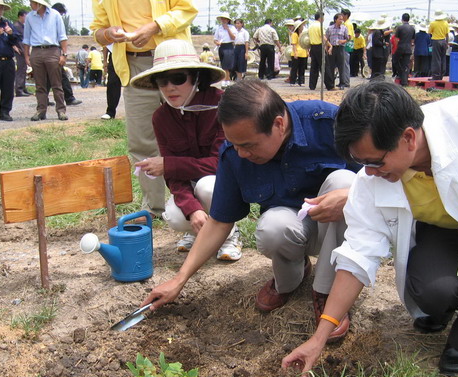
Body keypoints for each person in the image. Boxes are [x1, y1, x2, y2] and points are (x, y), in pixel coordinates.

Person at [282, 81, 458, 377]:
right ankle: (448, 305)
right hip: (443, 231)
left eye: (375, 162)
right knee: (434, 294)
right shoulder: (370, 181)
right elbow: (358, 256)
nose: (369, 172)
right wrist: (319, 337)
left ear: (409, 138)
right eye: (361, 163)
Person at [141, 79, 360, 341]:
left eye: (249, 145)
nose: (242, 153)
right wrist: (179, 279)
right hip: (295, 227)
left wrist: (350, 196)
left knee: (345, 182)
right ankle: (291, 278)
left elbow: (379, 175)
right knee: (272, 228)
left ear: (278, 124)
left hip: (340, 229)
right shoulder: (234, 154)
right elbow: (219, 222)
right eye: (235, 144)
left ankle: (328, 291)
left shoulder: (328, 124)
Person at [130, 39, 242, 260]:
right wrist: (192, 209)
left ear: (196, 77)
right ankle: (197, 231)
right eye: (162, 81)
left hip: (224, 182)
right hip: (190, 184)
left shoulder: (222, 105)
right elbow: (174, 177)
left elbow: (220, 164)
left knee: (208, 186)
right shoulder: (161, 117)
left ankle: (230, 234)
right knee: (174, 215)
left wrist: (168, 164)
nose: (170, 87)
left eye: (178, 78)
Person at [90, 0, 197, 218]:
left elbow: (187, 9)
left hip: (175, 58)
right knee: (141, 140)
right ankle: (153, 207)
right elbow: (98, 31)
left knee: (193, 134)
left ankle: (200, 201)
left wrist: (154, 27)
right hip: (133, 64)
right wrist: (108, 33)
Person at [23, 0, 69, 121]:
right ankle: (41, 110)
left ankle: (61, 110)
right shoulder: (29, 17)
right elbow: (26, 38)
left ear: (39, 4)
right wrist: (27, 56)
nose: (30, 5)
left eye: (32, 2)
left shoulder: (55, 15)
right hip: (36, 51)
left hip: (52, 50)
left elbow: (62, 36)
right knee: (40, 84)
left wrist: (64, 54)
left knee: (56, 83)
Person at [49, 2, 81, 106]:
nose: (61, 16)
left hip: (52, 52)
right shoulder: (53, 22)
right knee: (61, 76)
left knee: (49, 76)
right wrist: (63, 54)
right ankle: (69, 98)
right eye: (61, 14)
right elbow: (61, 39)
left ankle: (44, 100)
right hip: (53, 52)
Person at [324, 13, 349, 90]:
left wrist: (343, 41)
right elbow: (326, 38)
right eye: (340, 19)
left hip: (340, 48)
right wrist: (327, 48)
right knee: (331, 66)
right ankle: (331, 84)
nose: (341, 21)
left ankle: (342, 83)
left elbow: (347, 38)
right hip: (332, 48)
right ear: (335, 20)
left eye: (342, 19)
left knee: (341, 66)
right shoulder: (330, 28)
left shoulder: (344, 28)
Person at [213, 14, 236, 87]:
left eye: (224, 19)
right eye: (222, 19)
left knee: (227, 64)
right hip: (221, 46)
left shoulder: (232, 28)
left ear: (228, 20)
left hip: (229, 46)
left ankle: (226, 80)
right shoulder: (219, 28)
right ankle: (226, 79)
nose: (223, 20)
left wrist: (227, 29)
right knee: (223, 63)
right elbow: (215, 39)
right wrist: (217, 43)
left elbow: (233, 37)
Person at [13, 9, 32, 96]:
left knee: (24, 69)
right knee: (20, 70)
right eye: (25, 16)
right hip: (20, 51)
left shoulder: (23, 26)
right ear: (20, 16)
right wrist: (15, 47)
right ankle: (19, 89)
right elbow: (14, 39)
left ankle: (23, 88)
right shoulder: (16, 26)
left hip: (24, 51)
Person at [101, 45, 121, 119]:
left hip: (133, 53)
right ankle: (110, 112)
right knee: (112, 82)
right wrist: (105, 61)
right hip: (115, 54)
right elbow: (106, 43)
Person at [308, 12, 327, 90]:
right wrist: (329, 45)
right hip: (319, 47)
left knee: (314, 67)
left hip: (313, 47)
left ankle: (312, 86)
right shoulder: (320, 26)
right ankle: (329, 85)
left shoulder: (311, 26)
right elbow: (323, 37)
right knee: (324, 66)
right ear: (320, 17)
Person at [395, 13, 415, 86]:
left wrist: (397, 46)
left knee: (397, 62)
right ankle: (404, 81)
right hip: (408, 48)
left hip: (400, 47)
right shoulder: (412, 28)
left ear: (402, 19)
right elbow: (412, 40)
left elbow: (396, 39)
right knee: (406, 65)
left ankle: (400, 76)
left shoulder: (399, 28)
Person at [428, 10, 449, 80]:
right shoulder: (446, 23)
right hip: (443, 41)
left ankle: (436, 75)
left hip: (436, 41)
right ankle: (441, 75)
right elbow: (447, 35)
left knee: (436, 59)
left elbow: (429, 33)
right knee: (443, 58)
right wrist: (447, 43)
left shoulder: (433, 23)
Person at [289, 19, 308, 86]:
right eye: (301, 26)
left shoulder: (303, 34)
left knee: (302, 69)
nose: (302, 27)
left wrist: (307, 51)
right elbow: (294, 44)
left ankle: (301, 81)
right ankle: (292, 81)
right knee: (294, 68)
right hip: (297, 53)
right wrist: (295, 53)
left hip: (303, 53)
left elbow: (305, 44)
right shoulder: (294, 34)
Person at [341, 9, 354, 88]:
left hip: (347, 44)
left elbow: (349, 36)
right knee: (345, 63)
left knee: (345, 63)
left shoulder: (347, 24)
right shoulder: (347, 23)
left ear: (346, 15)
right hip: (349, 44)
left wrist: (342, 41)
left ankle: (346, 81)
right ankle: (345, 80)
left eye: (342, 15)